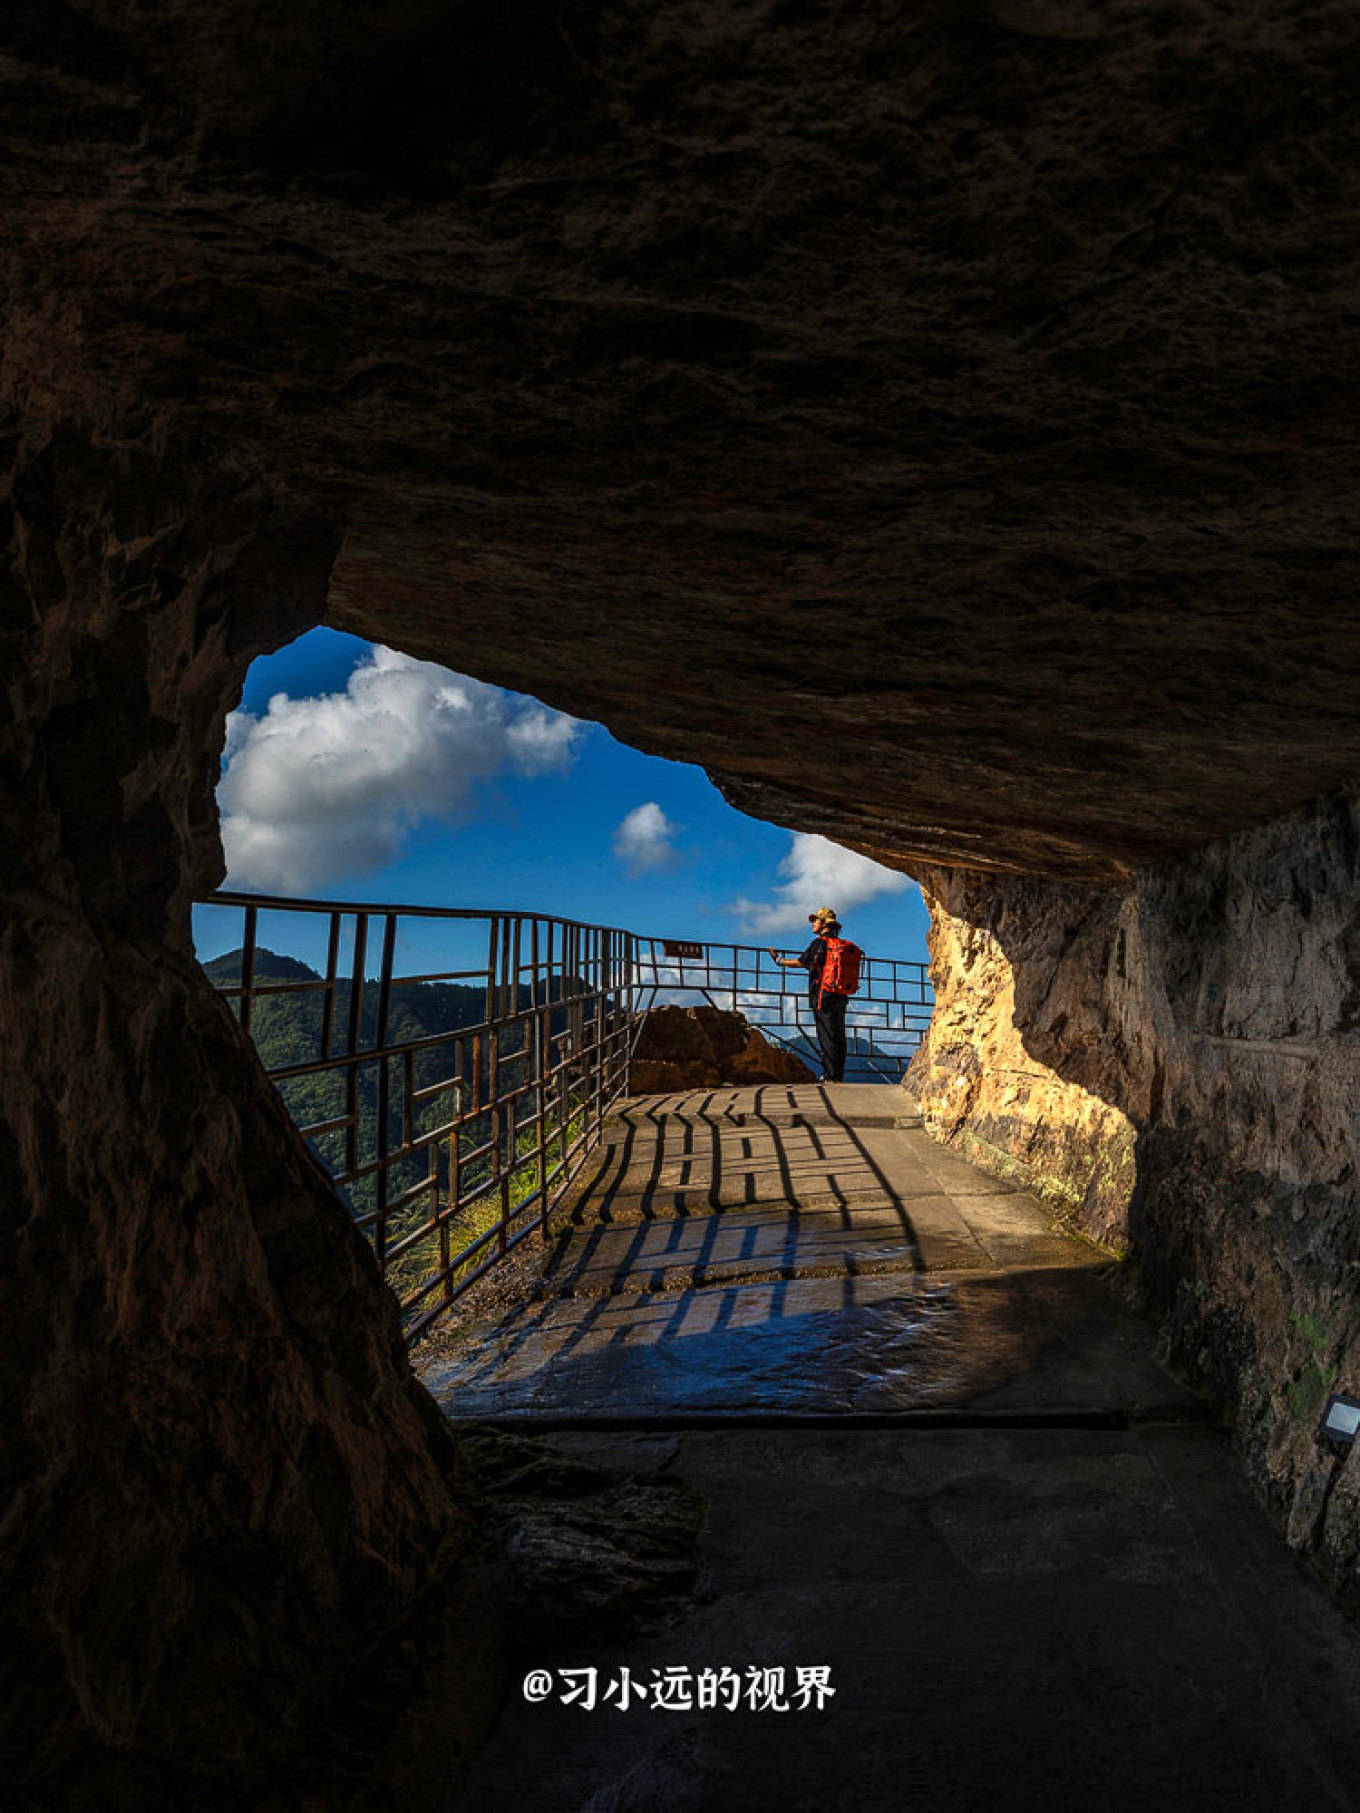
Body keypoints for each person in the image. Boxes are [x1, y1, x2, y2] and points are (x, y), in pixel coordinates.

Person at [769, 906, 850, 1084]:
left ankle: (830, 1076)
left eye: (815, 920)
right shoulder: (840, 944)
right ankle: (838, 1075)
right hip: (841, 994)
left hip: (823, 994)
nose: (812, 923)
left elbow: (802, 962)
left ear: (824, 923)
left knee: (826, 1034)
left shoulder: (820, 943)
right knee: (838, 1033)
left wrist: (780, 961)